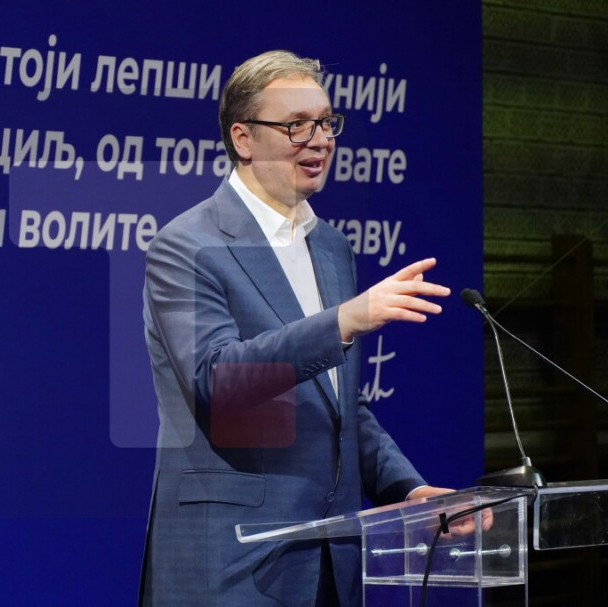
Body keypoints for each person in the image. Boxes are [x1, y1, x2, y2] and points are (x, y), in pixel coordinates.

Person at [138, 50, 458, 606]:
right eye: (296, 126)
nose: (320, 140)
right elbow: (218, 383)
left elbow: (336, 406)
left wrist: (407, 488)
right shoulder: (186, 245)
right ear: (243, 138)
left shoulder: (330, 247)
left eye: (326, 123)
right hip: (232, 566)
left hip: (331, 564)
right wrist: (345, 320)